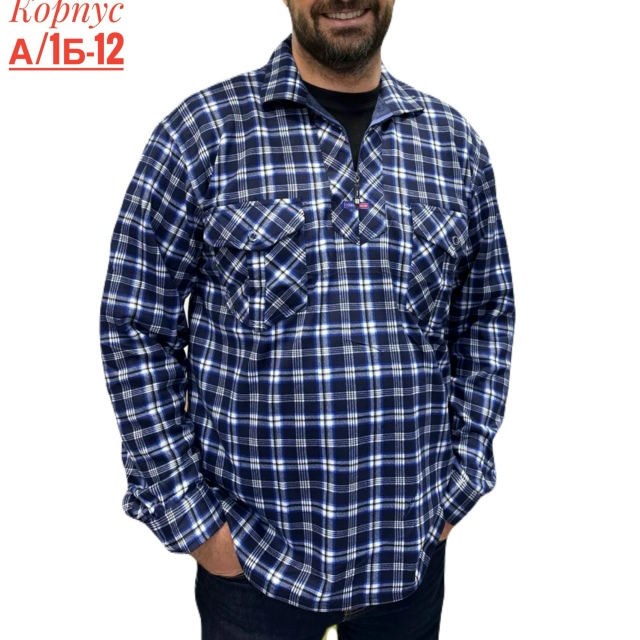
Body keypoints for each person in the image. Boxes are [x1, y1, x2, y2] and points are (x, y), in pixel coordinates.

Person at [100, 1, 515, 638]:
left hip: (409, 559)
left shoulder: (453, 143)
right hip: (253, 568)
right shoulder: (201, 133)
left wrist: (459, 483)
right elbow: (135, 326)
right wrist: (197, 524)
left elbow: (485, 314)